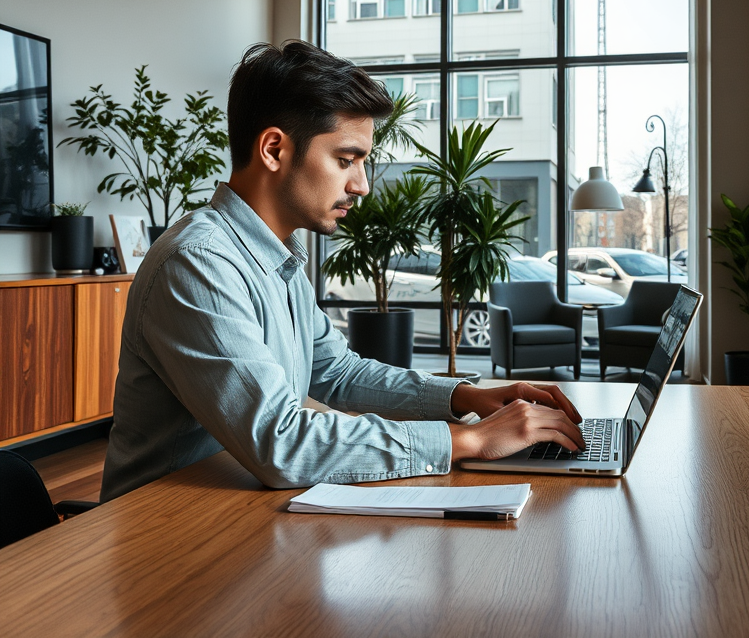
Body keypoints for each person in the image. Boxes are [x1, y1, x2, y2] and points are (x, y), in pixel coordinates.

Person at [100, 40, 585, 502]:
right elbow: (281, 441)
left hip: (238, 508)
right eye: (346, 160)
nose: (362, 186)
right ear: (273, 150)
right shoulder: (200, 262)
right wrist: (468, 441)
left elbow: (337, 372)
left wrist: (467, 398)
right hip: (164, 539)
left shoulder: (277, 256)